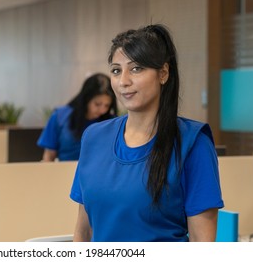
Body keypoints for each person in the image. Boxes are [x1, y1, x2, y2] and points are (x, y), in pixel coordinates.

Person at [70, 24, 224, 242]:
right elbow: (83, 231)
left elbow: (203, 244)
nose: (123, 81)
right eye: (116, 70)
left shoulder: (193, 142)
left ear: (163, 73)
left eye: (136, 69)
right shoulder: (94, 137)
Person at [37, 73, 118, 161]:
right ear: (86, 99)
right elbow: (49, 154)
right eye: (97, 104)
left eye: (107, 106)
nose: (102, 110)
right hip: (64, 171)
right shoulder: (60, 116)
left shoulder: (112, 122)